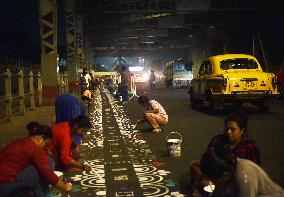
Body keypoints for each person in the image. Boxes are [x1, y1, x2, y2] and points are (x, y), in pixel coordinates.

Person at [188, 111, 260, 196]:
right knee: (194, 165)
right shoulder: (217, 141)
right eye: (227, 129)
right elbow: (207, 162)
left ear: (242, 130)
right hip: (217, 176)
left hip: (237, 178)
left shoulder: (249, 145)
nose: (228, 132)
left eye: (233, 129)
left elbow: (255, 169)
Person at [0, 122, 72, 197]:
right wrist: (64, 186)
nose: (45, 147)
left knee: (43, 165)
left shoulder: (23, 141)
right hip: (5, 185)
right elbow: (47, 173)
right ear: (40, 138)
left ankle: (36, 193)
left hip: (5, 182)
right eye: (46, 144)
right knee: (40, 170)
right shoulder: (35, 149)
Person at [200, 146, 284, 197]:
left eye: (213, 180)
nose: (212, 182)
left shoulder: (245, 173)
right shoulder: (227, 171)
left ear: (225, 175)